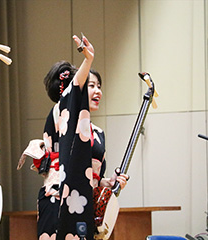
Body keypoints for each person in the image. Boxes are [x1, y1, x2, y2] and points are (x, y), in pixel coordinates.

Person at [33, 35, 129, 239]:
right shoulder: (60, 111)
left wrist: (108, 182)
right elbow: (72, 92)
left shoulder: (98, 134)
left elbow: (94, 176)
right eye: (91, 85)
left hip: (84, 203)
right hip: (58, 197)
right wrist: (88, 60)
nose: (97, 91)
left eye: (99, 86)